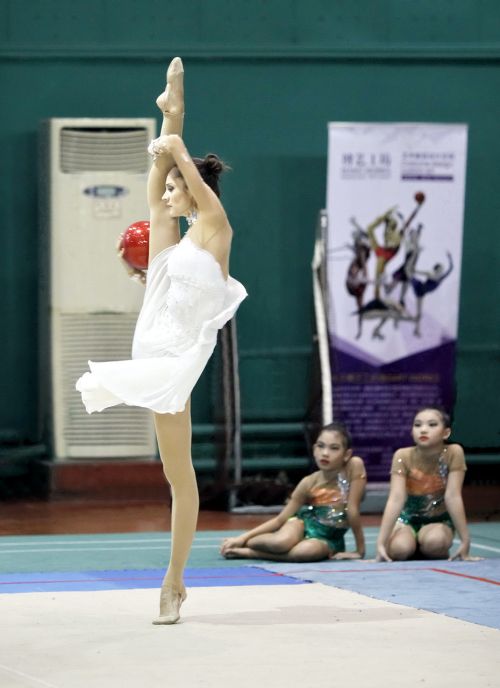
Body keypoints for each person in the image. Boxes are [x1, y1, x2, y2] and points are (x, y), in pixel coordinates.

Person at [76, 57, 247, 624]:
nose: (168, 195)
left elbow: (188, 176)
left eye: (176, 189)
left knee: (182, 476)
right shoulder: (168, 246)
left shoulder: (216, 228)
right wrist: (172, 115)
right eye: (169, 188)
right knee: (175, 474)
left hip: (177, 360)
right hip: (149, 348)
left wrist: (175, 144)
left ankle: (173, 582)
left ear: (194, 192)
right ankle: (175, 581)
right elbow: (161, 180)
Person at [220, 422, 367, 562]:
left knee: (304, 552)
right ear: (314, 449)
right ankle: (246, 544)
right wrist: (242, 538)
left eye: (334, 448)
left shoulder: (353, 467)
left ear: (346, 454)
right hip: (302, 524)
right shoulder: (308, 482)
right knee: (280, 543)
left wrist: (359, 551)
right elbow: (280, 519)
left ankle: (250, 553)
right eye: (320, 446)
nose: (325, 453)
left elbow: (352, 509)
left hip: (328, 539)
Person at [376, 407, 474, 562]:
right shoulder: (402, 455)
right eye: (418, 425)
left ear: (446, 433)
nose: (423, 430)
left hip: (439, 520)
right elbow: (396, 499)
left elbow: (453, 496)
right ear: (412, 431)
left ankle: (428, 548)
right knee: (400, 550)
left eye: (432, 424)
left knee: (435, 543)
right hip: (407, 520)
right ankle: (413, 546)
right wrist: (381, 543)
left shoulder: (453, 452)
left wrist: (465, 541)